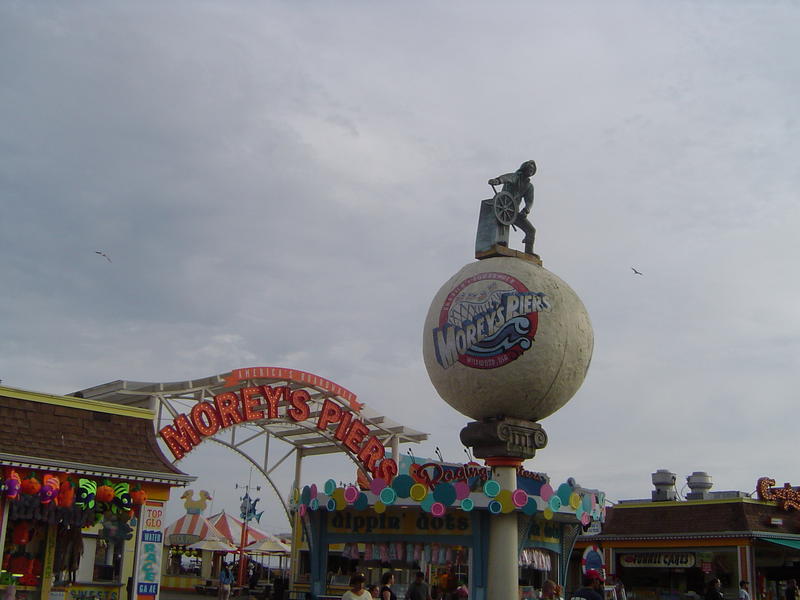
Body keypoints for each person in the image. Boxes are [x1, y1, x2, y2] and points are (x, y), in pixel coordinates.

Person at [488, 160, 538, 255]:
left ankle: (529, 251)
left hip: (513, 212)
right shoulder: (515, 177)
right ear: (524, 168)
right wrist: (497, 181)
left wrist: (526, 210)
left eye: (533, 170)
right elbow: (506, 178)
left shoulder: (529, 186)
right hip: (501, 208)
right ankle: (496, 244)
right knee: (501, 227)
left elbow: (529, 201)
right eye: (529, 168)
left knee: (531, 230)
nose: (531, 171)